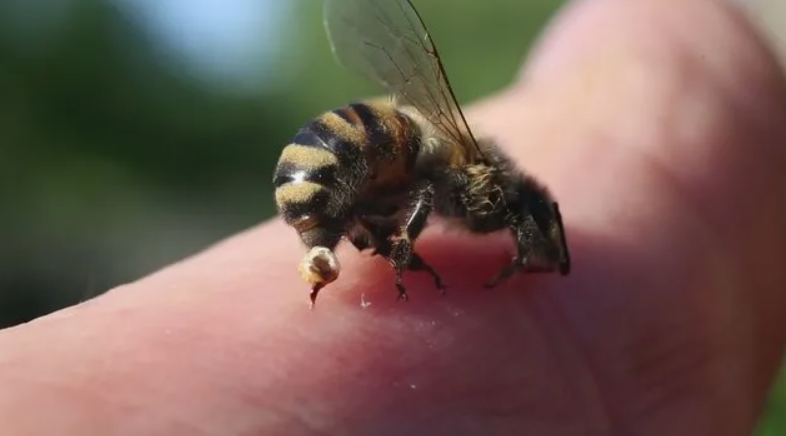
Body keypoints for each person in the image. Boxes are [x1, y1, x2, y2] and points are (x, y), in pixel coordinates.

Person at [2, 0, 785, 434]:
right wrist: (402, 245)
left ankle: (328, 233)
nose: (521, 227)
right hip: (348, 155)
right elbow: (422, 192)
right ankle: (339, 231)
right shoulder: (470, 176)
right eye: (524, 224)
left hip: (331, 166)